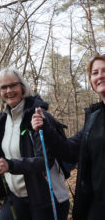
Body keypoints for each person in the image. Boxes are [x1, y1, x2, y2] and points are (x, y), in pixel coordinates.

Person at [0, 68, 69, 220]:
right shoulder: (1, 121)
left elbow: (45, 161)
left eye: (13, 85)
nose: (9, 91)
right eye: (4, 87)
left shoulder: (37, 115)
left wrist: (10, 165)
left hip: (46, 198)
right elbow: (4, 158)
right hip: (16, 197)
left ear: (22, 87)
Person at [32, 53, 105, 220]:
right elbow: (69, 151)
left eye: (104, 71)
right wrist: (46, 127)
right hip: (97, 205)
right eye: (95, 73)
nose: (100, 76)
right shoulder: (94, 117)